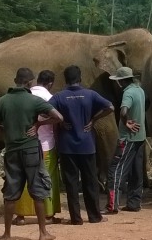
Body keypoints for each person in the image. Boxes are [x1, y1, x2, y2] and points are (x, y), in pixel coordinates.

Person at [0, 67, 63, 240]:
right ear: (30, 82)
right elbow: (59, 117)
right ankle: (42, 233)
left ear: (15, 80)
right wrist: (39, 125)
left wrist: (8, 135)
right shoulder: (34, 101)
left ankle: (7, 235)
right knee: (37, 190)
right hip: (31, 149)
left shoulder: (2, 101)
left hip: (12, 151)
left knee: (11, 193)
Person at [49, 65, 114, 225]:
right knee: (90, 181)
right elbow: (110, 107)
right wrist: (93, 120)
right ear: (80, 78)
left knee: (71, 182)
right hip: (87, 145)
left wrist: (60, 120)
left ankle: (76, 218)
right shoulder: (90, 94)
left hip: (67, 146)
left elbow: (45, 110)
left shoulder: (59, 97)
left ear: (65, 80)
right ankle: (94, 216)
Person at [13, 70, 62, 226]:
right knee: (47, 179)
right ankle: (48, 214)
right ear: (50, 83)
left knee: (24, 179)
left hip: (24, 144)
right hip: (46, 144)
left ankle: (20, 215)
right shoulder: (49, 98)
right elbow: (58, 119)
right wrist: (40, 124)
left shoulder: (24, 96)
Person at [106, 66, 146, 214]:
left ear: (120, 81)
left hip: (127, 138)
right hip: (140, 137)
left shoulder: (128, 92)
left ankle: (112, 205)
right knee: (136, 171)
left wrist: (126, 121)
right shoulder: (140, 90)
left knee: (116, 170)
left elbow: (123, 110)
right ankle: (134, 203)